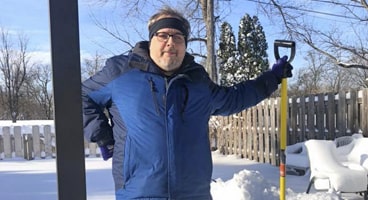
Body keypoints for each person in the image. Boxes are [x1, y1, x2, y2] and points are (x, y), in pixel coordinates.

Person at [82, 6, 293, 200]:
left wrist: (271, 78)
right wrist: (102, 136)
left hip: (194, 194)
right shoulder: (120, 72)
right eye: (163, 35)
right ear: (151, 39)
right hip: (138, 193)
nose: (170, 43)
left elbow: (233, 99)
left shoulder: (197, 81)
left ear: (185, 44)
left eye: (178, 37)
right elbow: (81, 96)